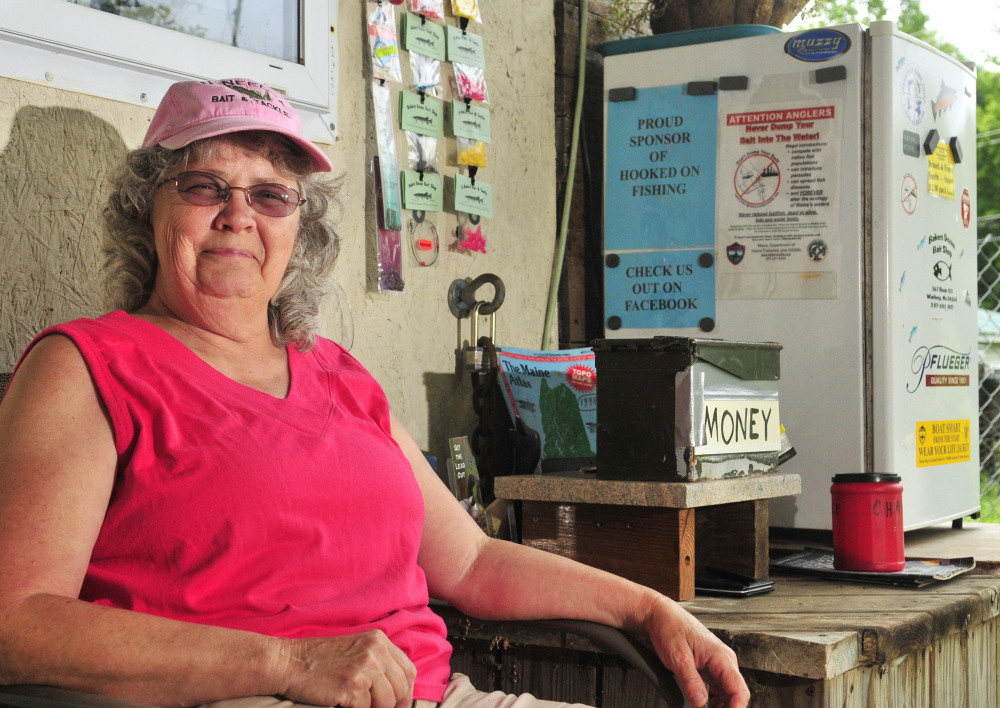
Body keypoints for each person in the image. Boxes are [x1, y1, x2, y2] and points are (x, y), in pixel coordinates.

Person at [0, 78, 750, 708]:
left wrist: (649, 607)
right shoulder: (89, 365)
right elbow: (15, 625)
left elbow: (474, 564)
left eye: (271, 196)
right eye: (204, 187)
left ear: (300, 227)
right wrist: (290, 664)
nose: (238, 216)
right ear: (147, 207)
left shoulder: (336, 373)